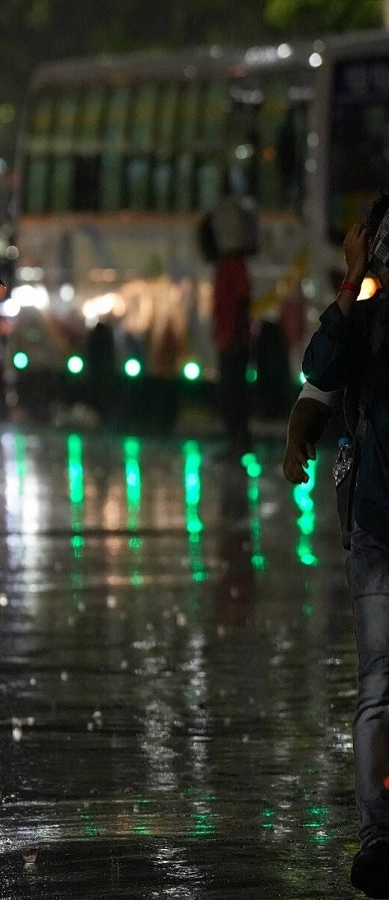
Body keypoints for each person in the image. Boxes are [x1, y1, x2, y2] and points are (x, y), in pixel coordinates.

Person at [294, 193, 389, 898]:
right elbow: (322, 367)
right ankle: (379, 835)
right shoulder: (365, 313)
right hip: (378, 522)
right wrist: (354, 287)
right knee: (380, 685)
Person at [203, 172, 260, 456]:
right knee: (233, 392)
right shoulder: (231, 263)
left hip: (233, 340)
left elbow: (240, 302)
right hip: (231, 337)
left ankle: (237, 442)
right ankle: (239, 441)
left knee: (232, 392)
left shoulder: (230, 265)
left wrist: (236, 336)